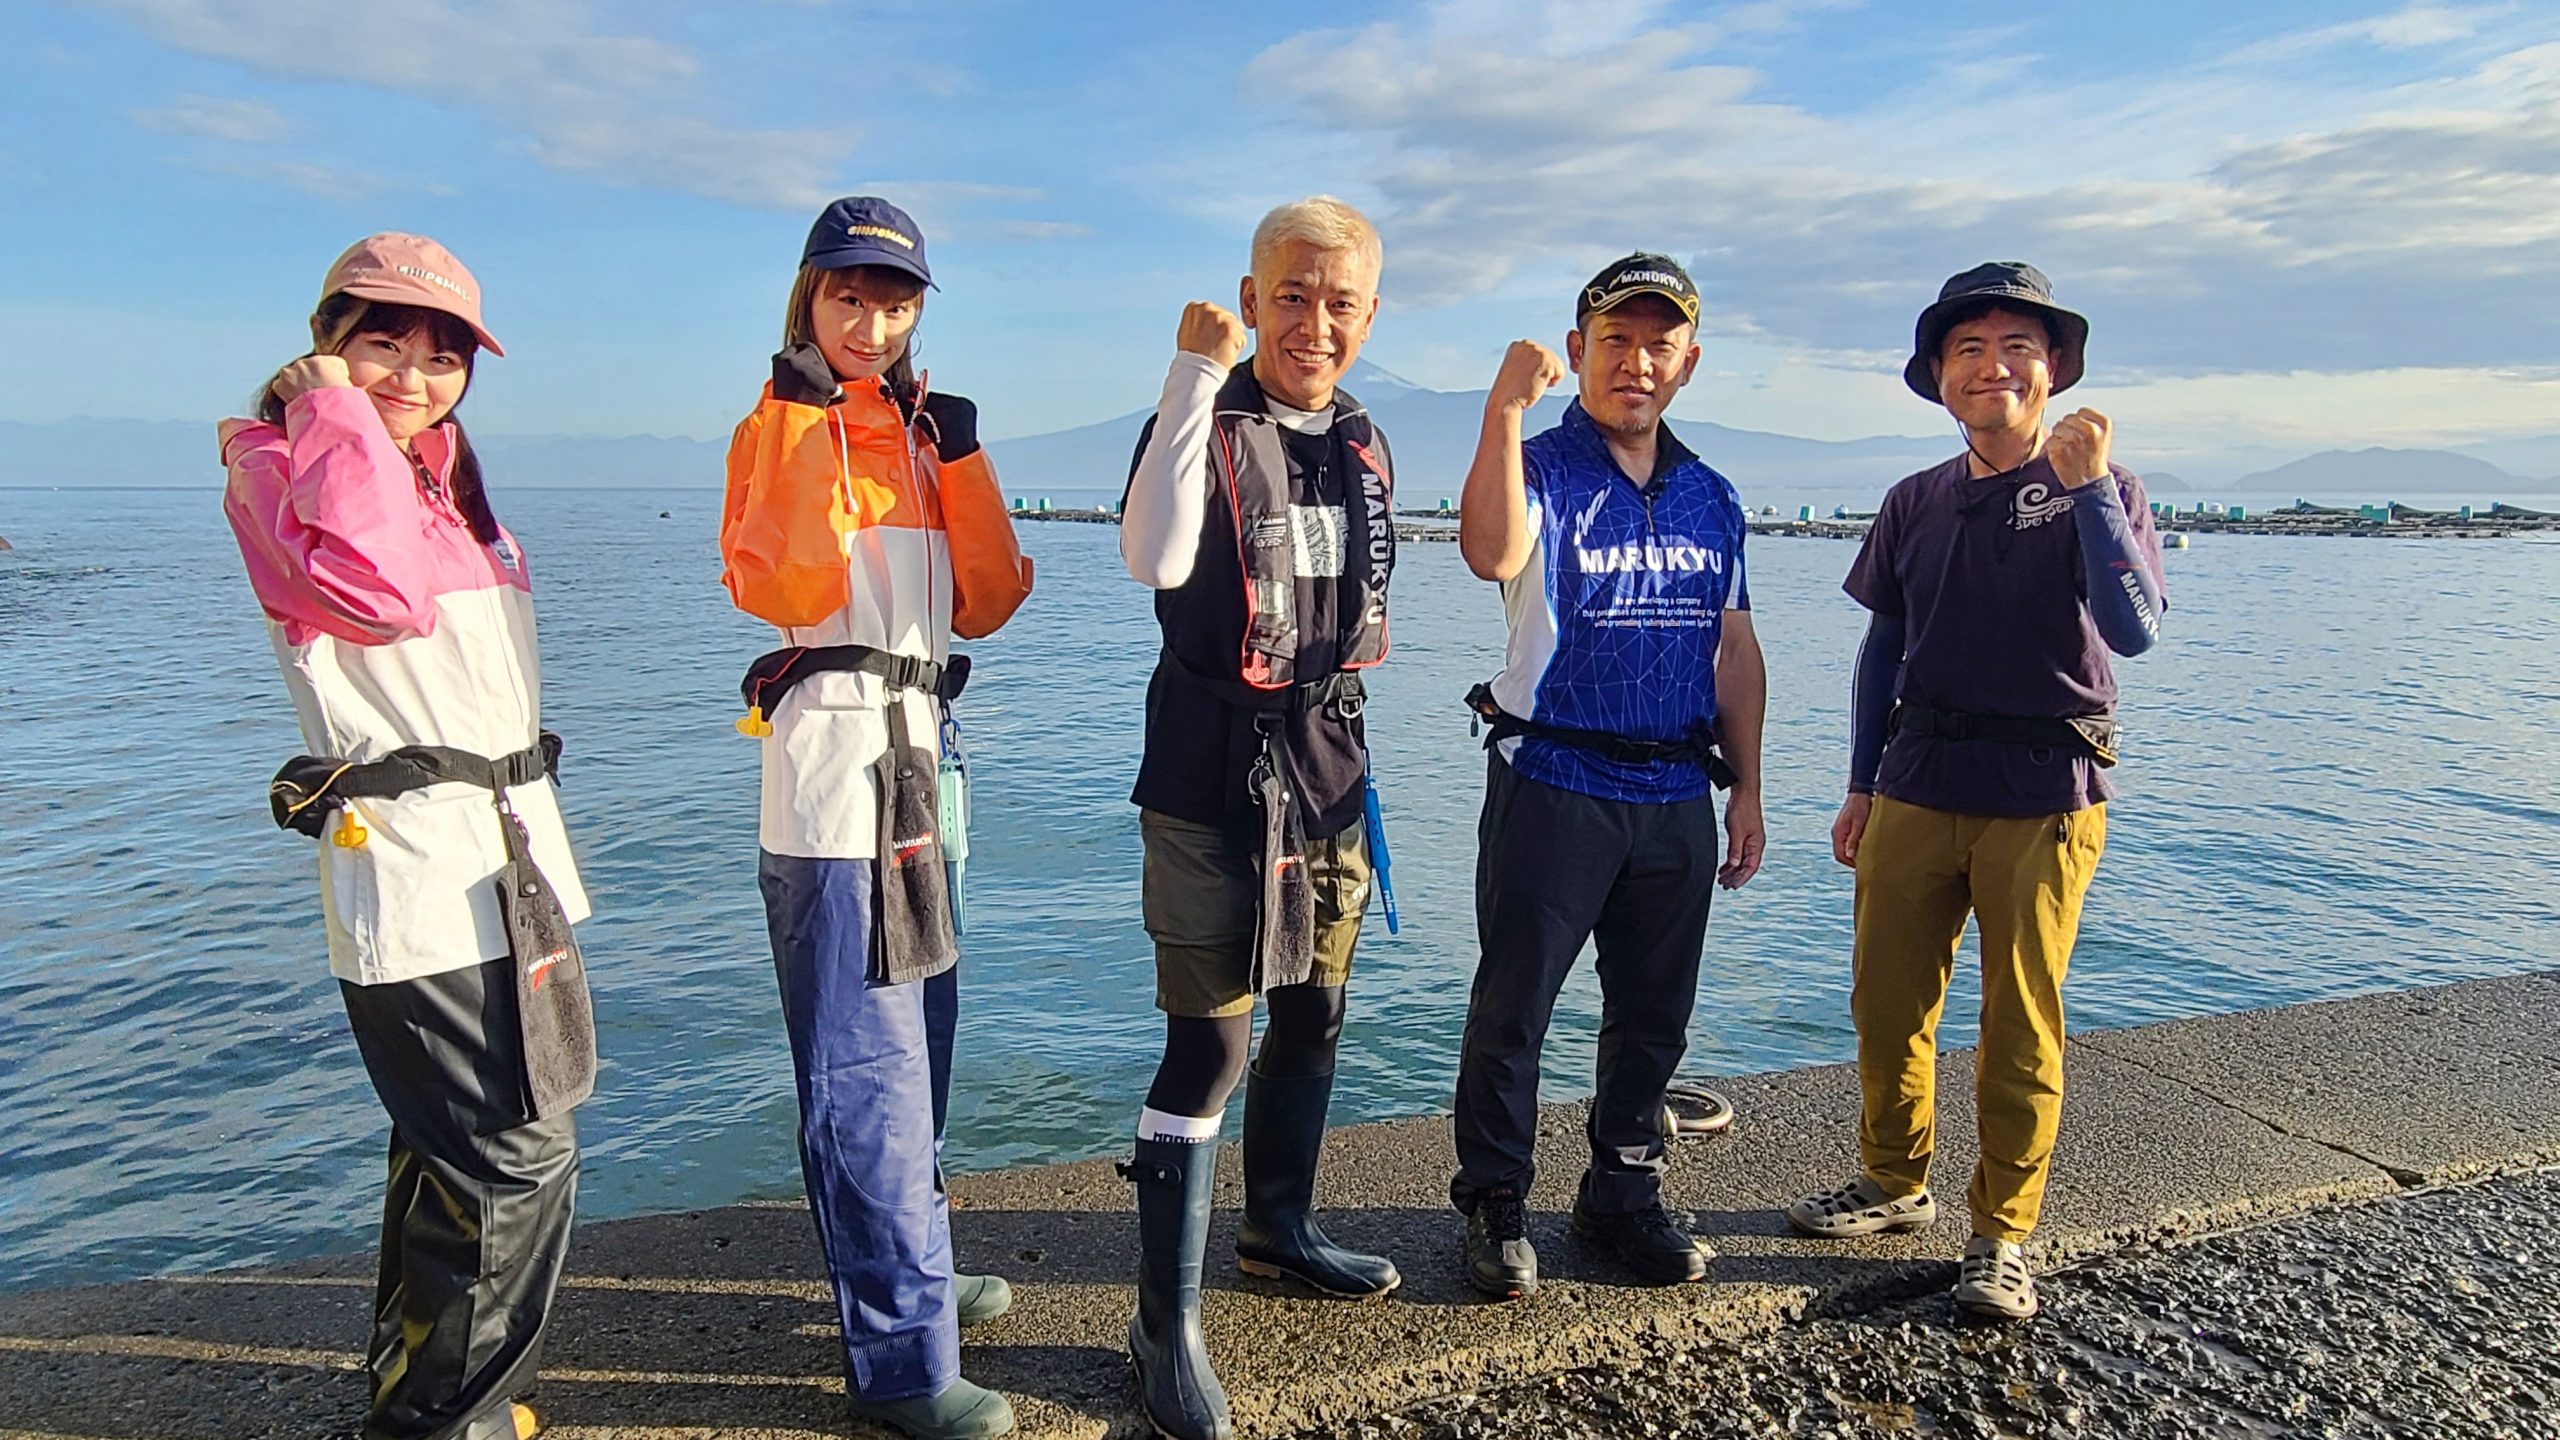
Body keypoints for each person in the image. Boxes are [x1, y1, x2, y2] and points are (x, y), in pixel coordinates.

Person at [222, 233, 592, 1440]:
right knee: (512, 1155)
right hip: (418, 872)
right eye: (382, 342)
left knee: (449, 1156)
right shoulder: (289, 467)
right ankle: (451, 1419)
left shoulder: (439, 484)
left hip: (505, 864)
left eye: (444, 357)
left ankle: (419, 1393)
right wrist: (326, 412)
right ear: (326, 337)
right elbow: (374, 598)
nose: (414, 377)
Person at [1784, 261, 2165, 1321]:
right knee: (1886, 1005)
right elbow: (1882, 647)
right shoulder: (1915, 501)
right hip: (1916, 777)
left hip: (2046, 788)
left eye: (2015, 347)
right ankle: (1893, 1183)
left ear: (2052, 371)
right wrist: (1859, 784)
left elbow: (2132, 628)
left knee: (2020, 1023)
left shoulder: (2105, 487)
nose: (1990, 365)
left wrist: (2087, 490)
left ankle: (2001, 1234)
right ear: (1939, 378)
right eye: (1967, 349)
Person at [719, 196, 1035, 1439]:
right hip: (832, 772)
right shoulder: (774, 425)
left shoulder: (917, 430)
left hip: (923, 764)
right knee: (868, 1069)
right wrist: (804, 412)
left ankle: (915, 1273)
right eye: (847, 295)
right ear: (806, 298)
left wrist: (959, 455)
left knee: (927, 1042)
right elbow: (785, 581)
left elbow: (990, 599)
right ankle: (903, 1359)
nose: (872, 319)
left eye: (895, 299)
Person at [1114, 196, 1400, 1440]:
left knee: (1315, 1014)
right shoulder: (1200, 417)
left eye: (1340, 302)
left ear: (1369, 314)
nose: (1313, 323)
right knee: (1211, 1045)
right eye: (1291, 295)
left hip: (1330, 775)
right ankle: (1160, 1325)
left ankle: (1279, 1230)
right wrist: (1191, 372)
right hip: (1205, 778)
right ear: (1250, 293)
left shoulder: (1367, 440)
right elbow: (1154, 560)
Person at [1447, 253, 1767, 1298]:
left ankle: (1622, 1192)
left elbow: (1735, 649)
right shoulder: (1539, 467)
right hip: (1555, 777)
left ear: (1688, 362)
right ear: (1579, 351)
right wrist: (1502, 407)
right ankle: (1494, 1203)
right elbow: (1489, 553)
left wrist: (1749, 787)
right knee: (1515, 1006)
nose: (1636, 362)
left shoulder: (1712, 497)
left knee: (1653, 1014)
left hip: (1676, 790)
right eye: (1615, 341)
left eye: (1658, 344)